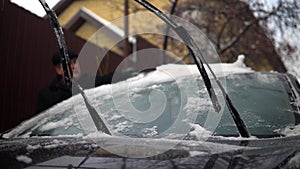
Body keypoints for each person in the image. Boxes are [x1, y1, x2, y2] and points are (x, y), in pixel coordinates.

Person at [36, 51, 117, 113]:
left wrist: (127, 73)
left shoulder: (89, 82)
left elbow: (107, 79)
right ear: (59, 70)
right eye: (68, 63)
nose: (74, 66)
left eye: (75, 62)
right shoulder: (48, 96)